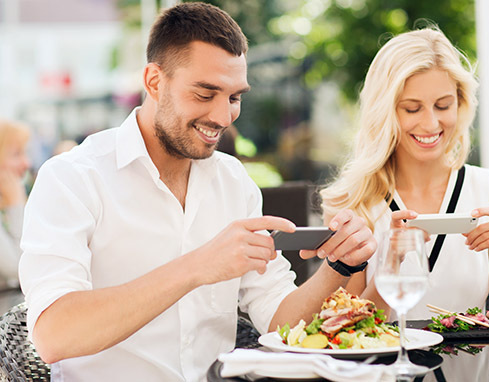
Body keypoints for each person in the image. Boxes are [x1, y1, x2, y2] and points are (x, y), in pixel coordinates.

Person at [18, 3, 375, 381]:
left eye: (235, 98)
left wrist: (338, 266)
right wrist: (198, 266)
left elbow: (280, 321)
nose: (223, 117)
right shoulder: (73, 178)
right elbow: (54, 335)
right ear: (155, 82)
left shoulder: (234, 182)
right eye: (206, 94)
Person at [319, 27, 489, 321]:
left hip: (473, 369)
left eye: (443, 105)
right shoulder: (353, 204)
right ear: (385, 112)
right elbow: (346, 334)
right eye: (412, 109)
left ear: (460, 103)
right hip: (386, 368)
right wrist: (391, 265)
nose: (431, 123)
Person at [0, 118, 30, 293]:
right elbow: (20, 269)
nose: (26, 163)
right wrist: (16, 206)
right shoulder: (13, 204)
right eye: (16, 154)